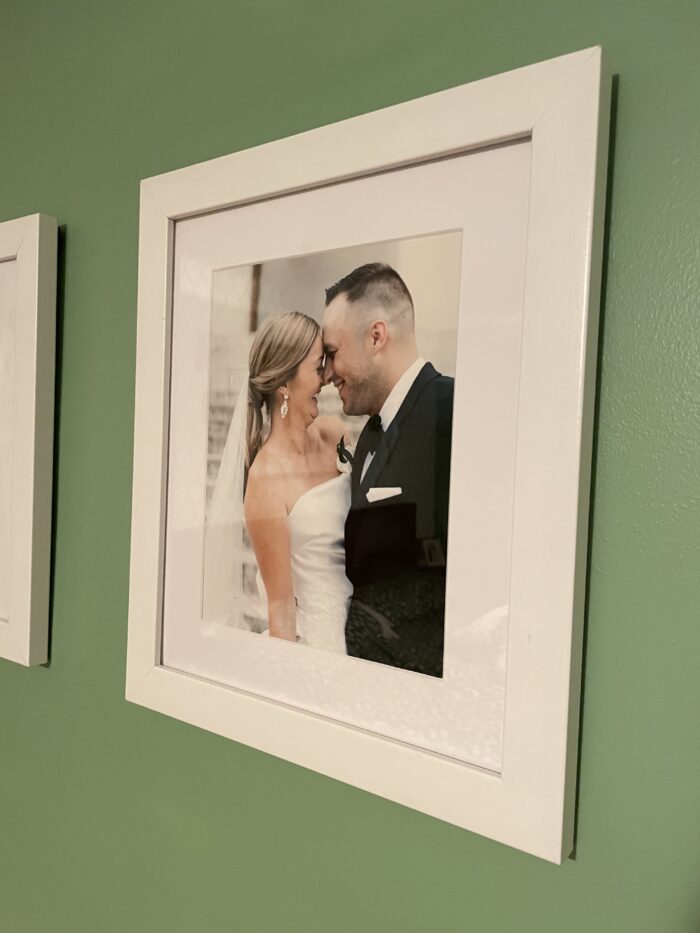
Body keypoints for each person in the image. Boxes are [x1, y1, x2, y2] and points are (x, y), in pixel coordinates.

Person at [323, 263, 454, 677]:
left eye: (332, 353)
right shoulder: (368, 437)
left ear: (376, 336)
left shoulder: (452, 412)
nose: (326, 374)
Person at [234, 311, 352, 651]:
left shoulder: (336, 436)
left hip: (367, 630)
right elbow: (281, 609)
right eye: (318, 367)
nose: (328, 376)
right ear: (284, 384)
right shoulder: (265, 479)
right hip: (320, 645)